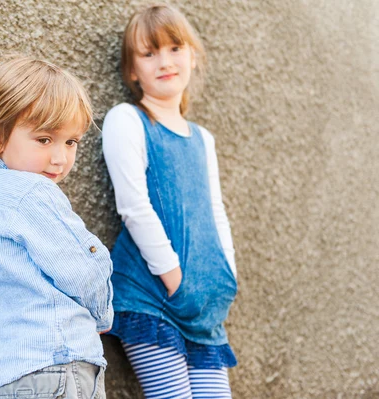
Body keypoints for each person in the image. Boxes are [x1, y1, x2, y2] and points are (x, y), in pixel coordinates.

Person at [102, 4, 238, 399]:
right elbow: (134, 207)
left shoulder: (203, 138)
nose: (164, 61)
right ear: (132, 71)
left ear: (192, 56)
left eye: (175, 48)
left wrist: (227, 276)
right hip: (152, 296)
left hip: (202, 304)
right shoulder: (127, 120)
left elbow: (215, 210)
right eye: (149, 53)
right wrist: (174, 279)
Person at [0, 56, 113, 399]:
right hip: (54, 364)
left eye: (70, 142)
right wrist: (103, 314)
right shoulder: (32, 192)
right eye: (44, 140)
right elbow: (82, 272)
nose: (59, 157)